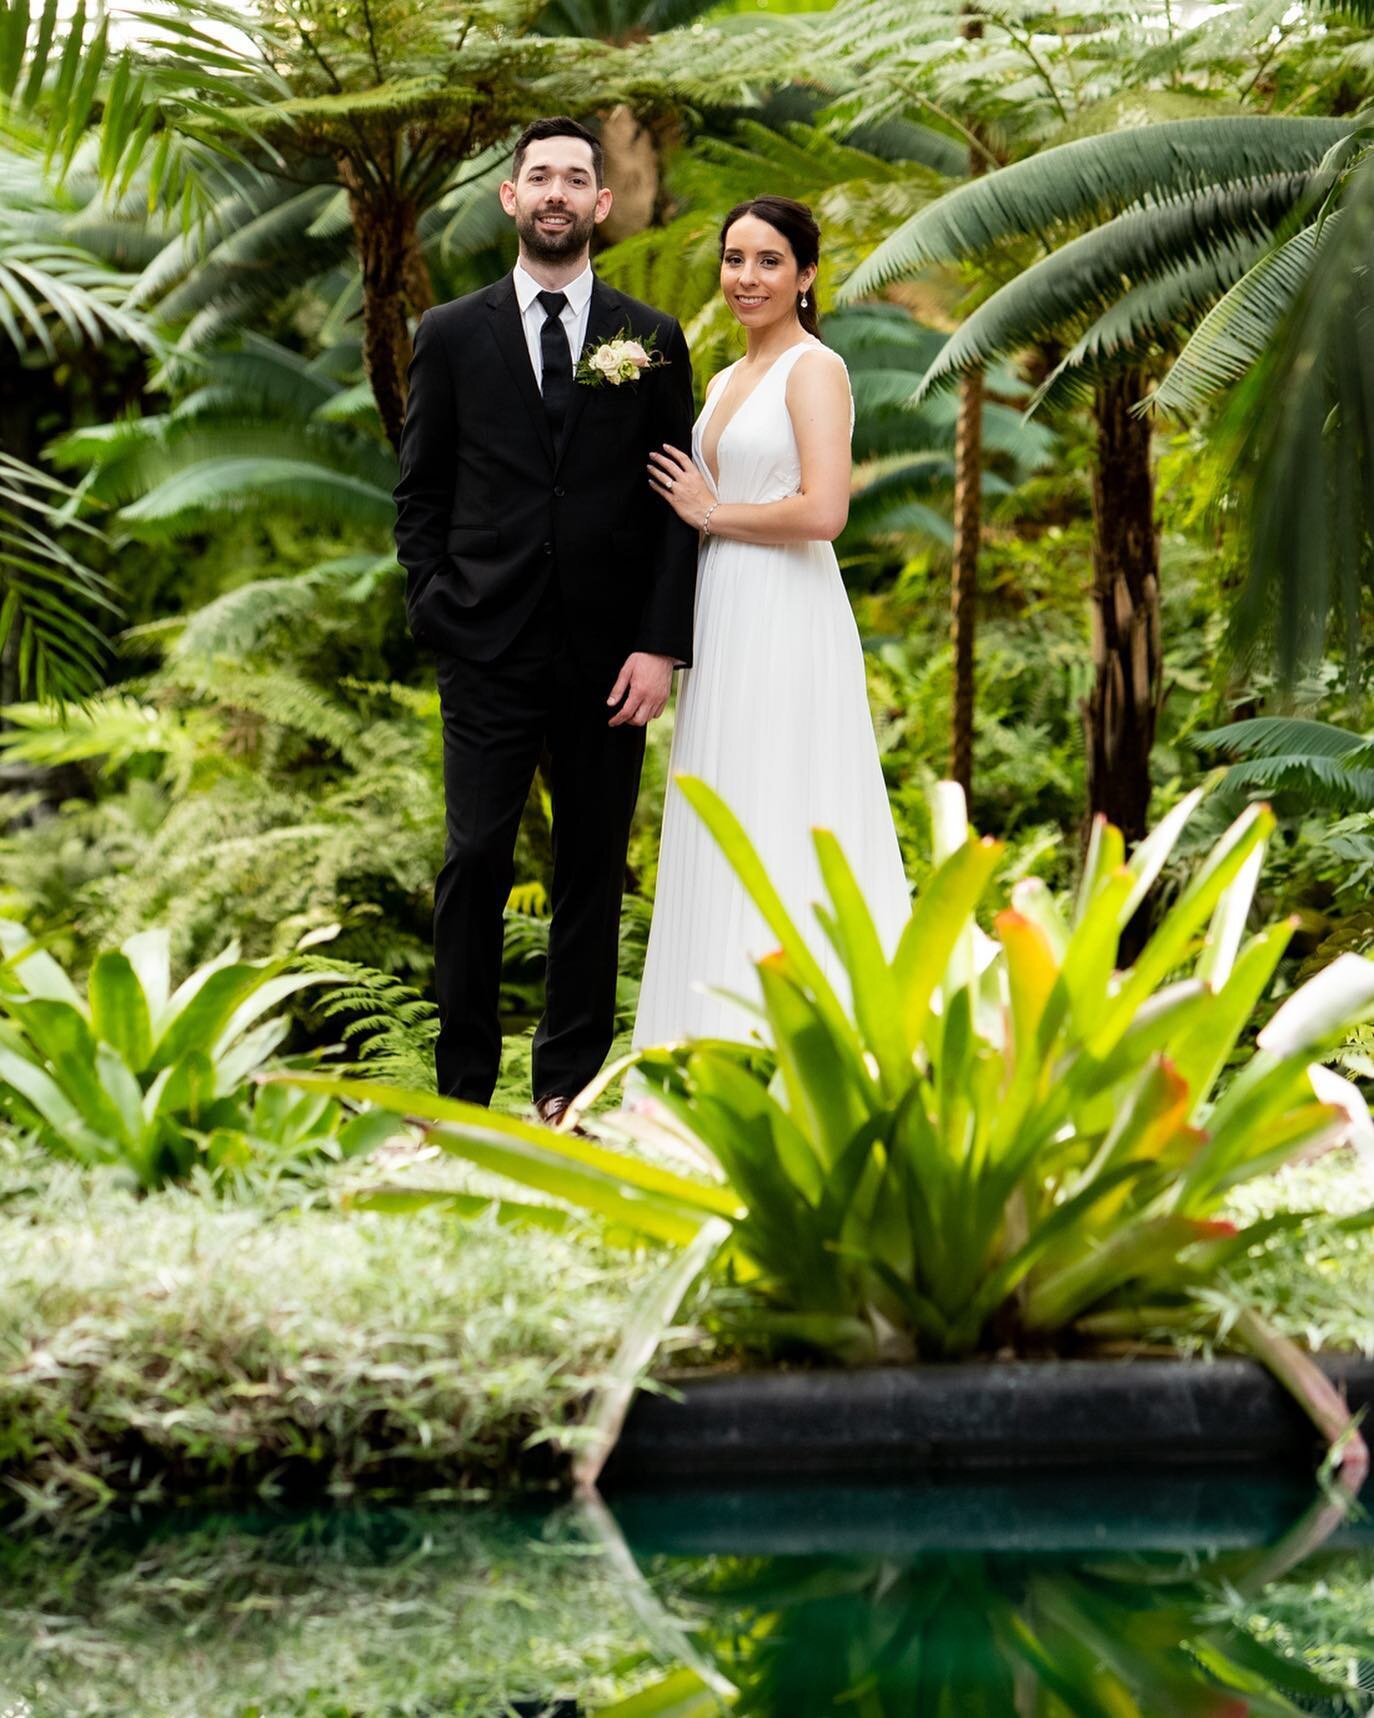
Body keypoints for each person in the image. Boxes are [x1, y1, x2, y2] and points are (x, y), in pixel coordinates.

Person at [393, 115, 697, 1127]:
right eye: (541, 177)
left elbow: (673, 504)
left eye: (578, 177)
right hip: (485, 642)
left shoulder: (650, 341)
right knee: (474, 857)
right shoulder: (447, 334)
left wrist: (660, 644)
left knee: (591, 868)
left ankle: (563, 1087)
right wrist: (438, 606)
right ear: (510, 199)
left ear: (602, 205)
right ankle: (464, 1091)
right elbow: (420, 492)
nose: (559, 191)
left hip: (612, 658)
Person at [633, 196, 910, 1050]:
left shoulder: (814, 368)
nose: (746, 278)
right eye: (734, 259)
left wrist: (712, 514)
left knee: (784, 797)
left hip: (787, 611)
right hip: (723, 609)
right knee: (723, 801)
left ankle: (802, 1038)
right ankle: (707, 1031)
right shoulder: (721, 380)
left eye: (767, 262)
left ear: (806, 276)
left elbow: (825, 510)